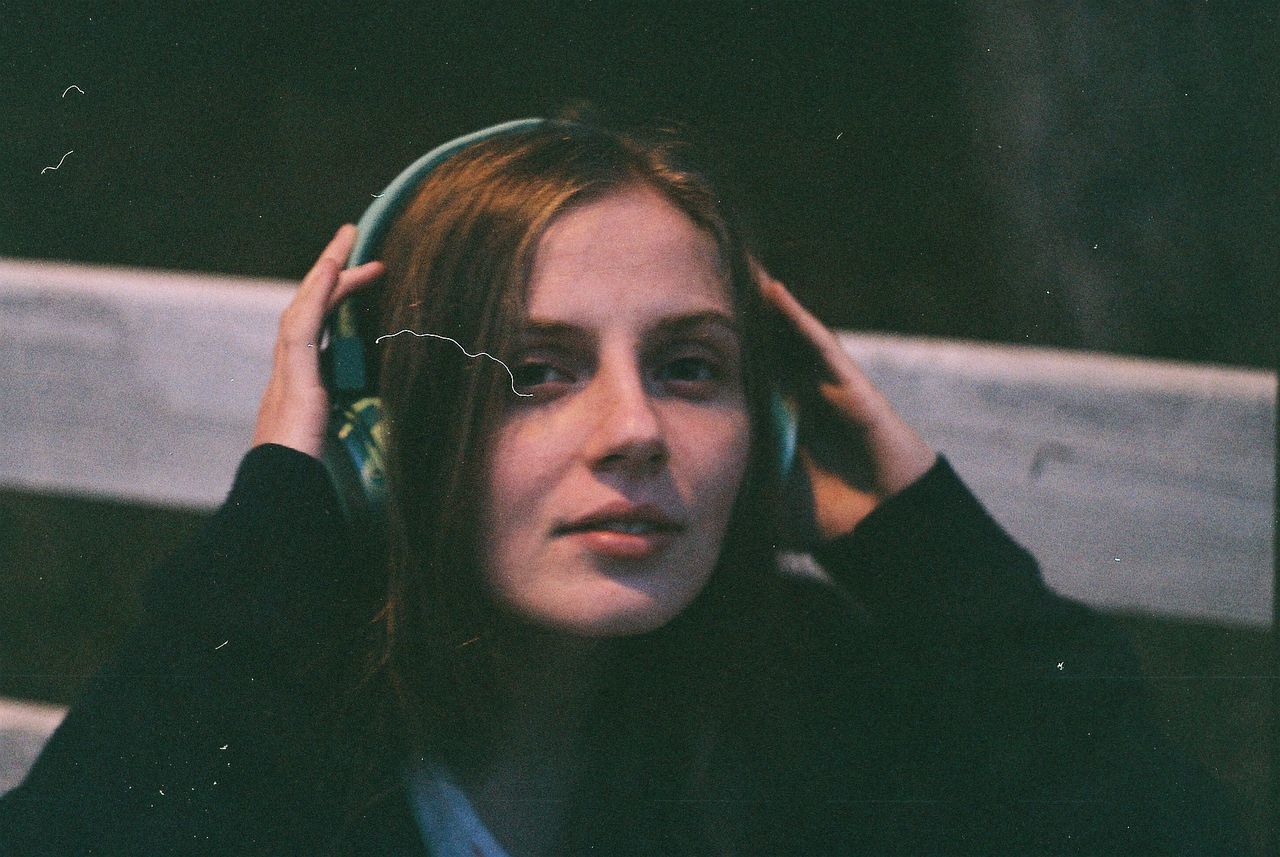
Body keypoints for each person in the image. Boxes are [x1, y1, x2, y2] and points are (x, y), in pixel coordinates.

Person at [0, 116, 1246, 856]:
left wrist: (929, 552)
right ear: (384, 432)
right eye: (535, 370)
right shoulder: (262, 735)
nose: (637, 429)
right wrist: (279, 516)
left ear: (758, 429)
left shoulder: (816, 725)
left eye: (689, 367)